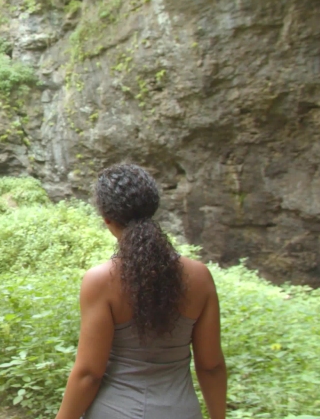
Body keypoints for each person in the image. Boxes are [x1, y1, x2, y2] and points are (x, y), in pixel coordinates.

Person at [56, 164, 227, 419]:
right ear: (153, 208)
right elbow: (211, 366)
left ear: (106, 217)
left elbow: (89, 374)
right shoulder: (200, 277)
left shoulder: (101, 281)